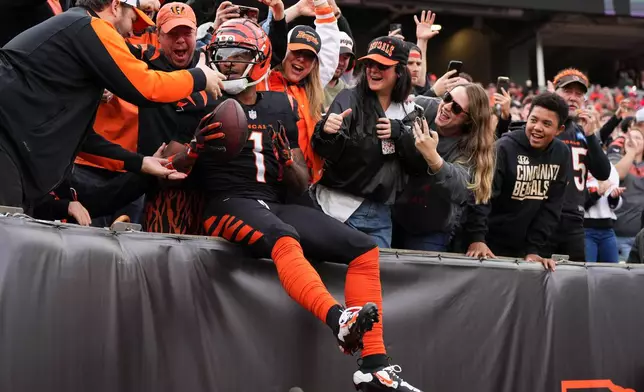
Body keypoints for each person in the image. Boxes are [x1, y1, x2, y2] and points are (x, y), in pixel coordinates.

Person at [190, 19, 422, 391]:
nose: (229, 64)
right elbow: (170, 166)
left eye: (238, 57)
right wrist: (193, 149)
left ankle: (374, 367)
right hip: (226, 203)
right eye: (224, 56)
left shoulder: (280, 105)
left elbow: (299, 178)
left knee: (363, 249)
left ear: (260, 59)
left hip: (273, 201)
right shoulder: (198, 99)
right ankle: (337, 320)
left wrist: (285, 162)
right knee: (284, 236)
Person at [0, 0, 226, 210]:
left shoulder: (76, 29)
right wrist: (198, 77)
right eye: (132, 20)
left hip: (14, 147)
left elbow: (83, 138)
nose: (132, 32)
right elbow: (145, 88)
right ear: (116, 6)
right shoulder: (90, 25)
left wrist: (140, 163)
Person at [312, 36, 414, 248]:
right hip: (338, 208)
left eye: (382, 65)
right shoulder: (348, 98)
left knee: (373, 278)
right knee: (334, 277)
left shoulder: (410, 111)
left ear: (400, 71)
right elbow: (324, 150)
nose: (373, 70)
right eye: (369, 64)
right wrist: (326, 132)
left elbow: (420, 165)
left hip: (381, 214)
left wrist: (403, 136)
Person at [466, 92, 572, 271]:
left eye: (547, 124)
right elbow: (481, 194)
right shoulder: (504, 147)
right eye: (533, 120)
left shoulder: (561, 153)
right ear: (526, 117)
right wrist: (477, 239)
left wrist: (533, 248)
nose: (537, 127)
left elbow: (552, 207)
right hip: (488, 244)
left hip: (523, 248)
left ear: (559, 130)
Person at [392, 84, 496, 251]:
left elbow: (461, 188)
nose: (446, 107)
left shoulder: (471, 145)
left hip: (431, 227)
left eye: (456, 108)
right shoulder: (424, 107)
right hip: (394, 214)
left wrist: (432, 156)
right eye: (447, 98)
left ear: (469, 119)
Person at [260, 0, 341, 184]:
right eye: (296, 52)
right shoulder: (263, 79)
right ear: (283, 51)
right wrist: (293, 10)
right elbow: (258, 42)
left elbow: (329, 49)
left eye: (309, 56)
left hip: (305, 185)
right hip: (269, 184)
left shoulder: (310, 86)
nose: (301, 59)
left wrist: (321, 6)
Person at [546, 69, 612, 261]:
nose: (573, 98)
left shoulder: (584, 132)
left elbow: (602, 172)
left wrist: (591, 135)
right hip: (543, 216)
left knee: (575, 281)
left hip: (574, 220)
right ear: (555, 92)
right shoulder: (544, 125)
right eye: (568, 91)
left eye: (579, 93)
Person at [584, 165, 624, 263]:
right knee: (587, 272)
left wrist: (614, 196)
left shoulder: (610, 167)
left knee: (612, 272)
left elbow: (614, 206)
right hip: (585, 229)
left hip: (607, 229)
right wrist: (597, 194)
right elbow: (577, 203)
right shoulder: (579, 165)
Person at [323, 31, 356, 110]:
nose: (340, 62)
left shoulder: (349, 93)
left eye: (345, 58)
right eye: (337, 55)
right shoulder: (309, 85)